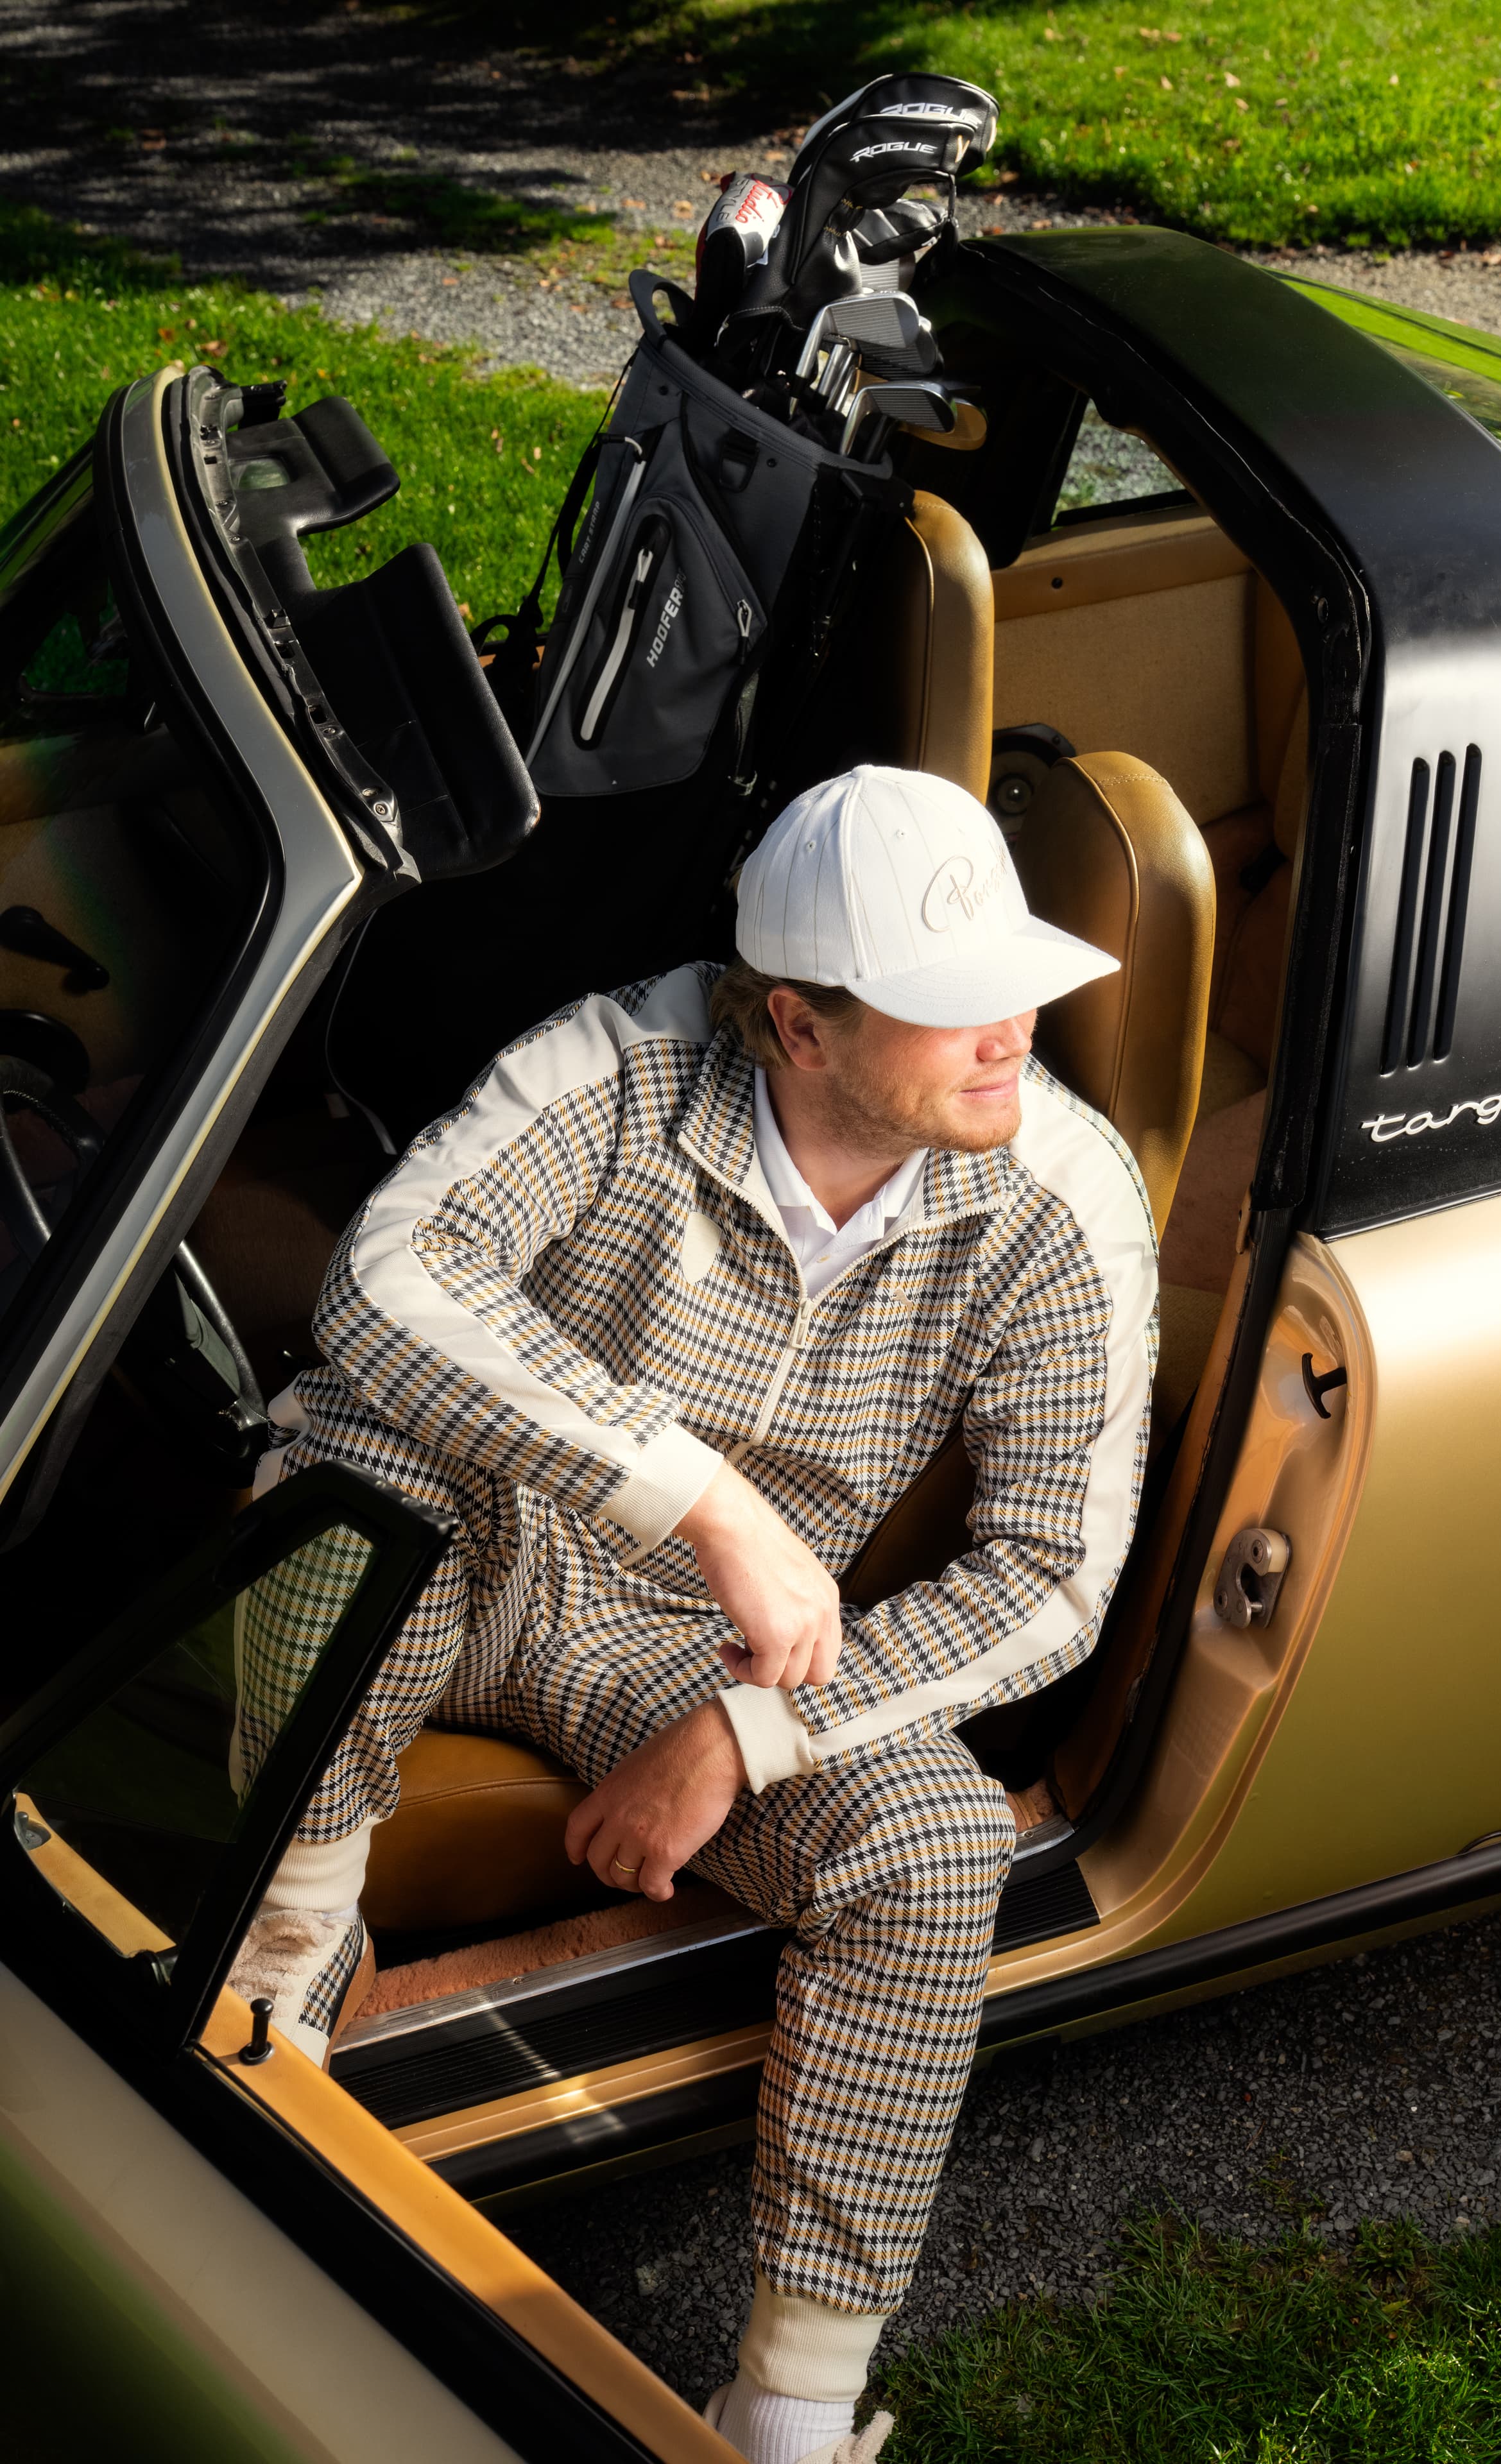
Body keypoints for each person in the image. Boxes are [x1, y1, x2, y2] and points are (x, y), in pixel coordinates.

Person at [230, 763, 1158, 2464]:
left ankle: (791, 2411)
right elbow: (386, 1278)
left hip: (719, 1655)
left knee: (941, 1844)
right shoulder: (617, 1063)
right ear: (795, 1026)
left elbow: (1052, 1577)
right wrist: (704, 1499)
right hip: (497, 1525)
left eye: (1015, 977)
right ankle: (278, 1970)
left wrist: (747, 1728)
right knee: (342, 1493)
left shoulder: (1063, 1194)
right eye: (951, 1005)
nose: (1012, 1027)